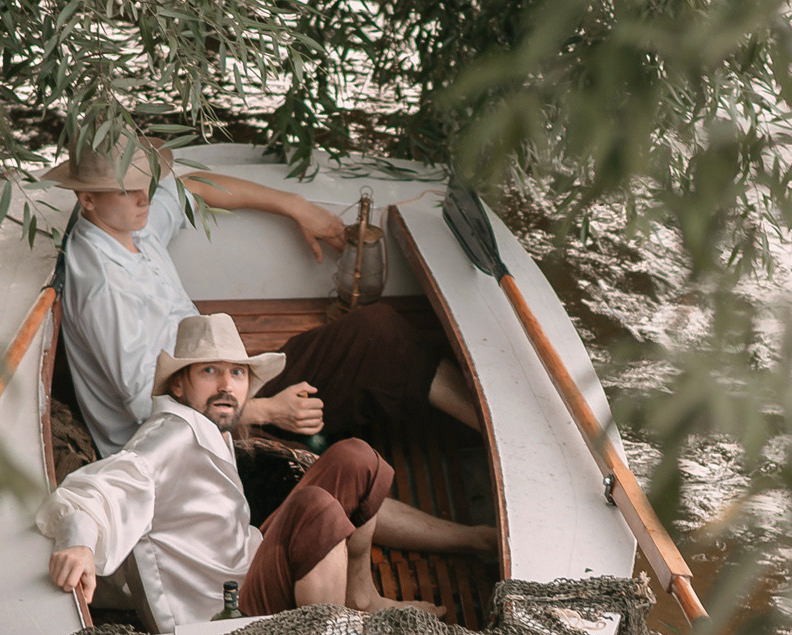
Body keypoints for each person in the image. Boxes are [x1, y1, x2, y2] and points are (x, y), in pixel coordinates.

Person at [40, 314, 494, 627]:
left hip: (248, 564)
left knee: (355, 457)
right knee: (315, 507)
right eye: (210, 371)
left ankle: (360, 597)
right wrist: (79, 544)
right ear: (179, 384)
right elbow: (99, 489)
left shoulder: (210, 425)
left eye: (237, 374)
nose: (226, 385)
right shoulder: (170, 436)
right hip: (223, 617)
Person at [42, 136, 482, 455]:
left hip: (221, 383)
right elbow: (147, 406)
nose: (144, 198)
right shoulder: (104, 286)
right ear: (87, 199)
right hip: (187, 442)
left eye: (145, 182)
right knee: (323, 473)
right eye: (127, 189)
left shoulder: (125, 224)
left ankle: (494, 432)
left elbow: (191, 186)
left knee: (377, 331)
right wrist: (267, 411)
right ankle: (476, 540)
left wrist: (295, 205)